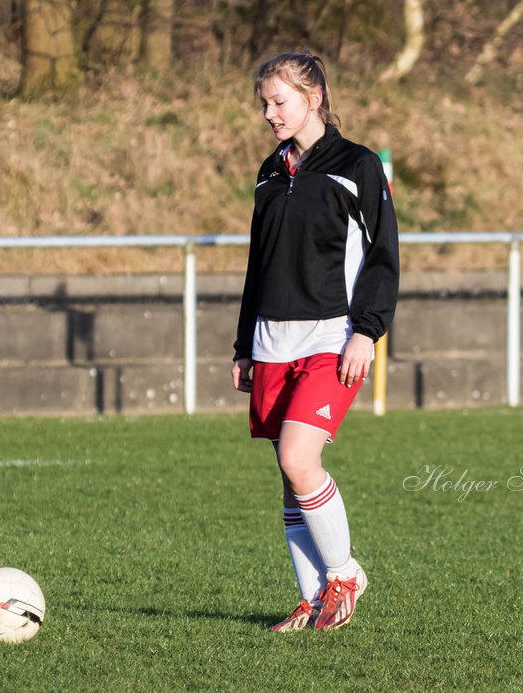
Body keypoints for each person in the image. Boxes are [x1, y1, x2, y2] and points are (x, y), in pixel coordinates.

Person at [231, 51, 399, 632]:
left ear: (314, 97)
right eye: (265, 104)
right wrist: (243, 345)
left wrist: (368, 332)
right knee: (289, 477)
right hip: (272, 341)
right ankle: (311, 598)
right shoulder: (269, 172)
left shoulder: (358, 166)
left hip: (333, 337)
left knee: (299, 459)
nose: (269, 113)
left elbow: (383, 257)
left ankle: (345, 574)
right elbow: (260, 264)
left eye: (279, 101)